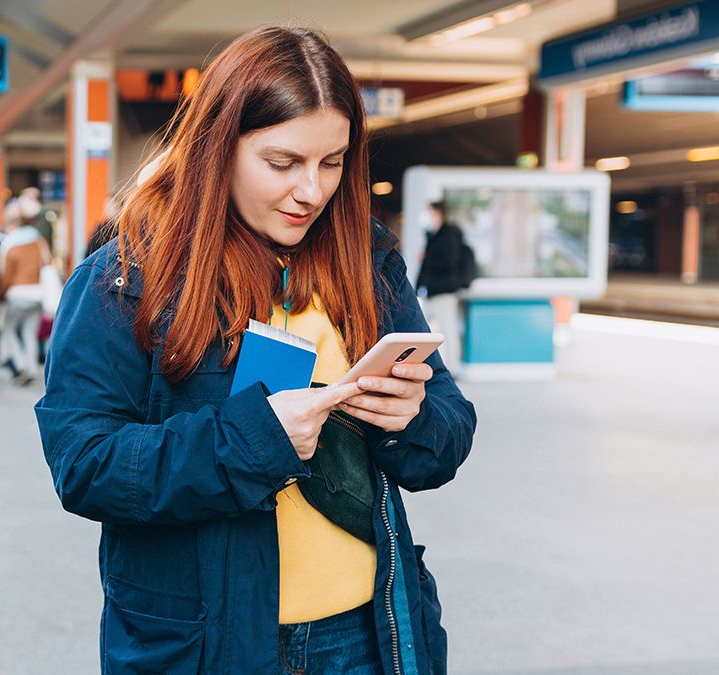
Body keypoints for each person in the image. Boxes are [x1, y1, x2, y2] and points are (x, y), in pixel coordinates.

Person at [35, 26, 476, 674]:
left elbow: (449, 426)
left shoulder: (366, 260)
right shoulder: (126, 277)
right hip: (213, 645)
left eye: (333, 163)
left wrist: (414, 416)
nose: (312, 191)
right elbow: (84, 462)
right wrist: (252, 440)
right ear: (218, 148)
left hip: (369, 631)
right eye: (282, 162)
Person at [0, 201, 47, 386]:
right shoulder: (39, 242)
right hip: (37, 294)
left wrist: (0, 294)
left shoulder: (11, 243)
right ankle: (32, 369)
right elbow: (47, 264)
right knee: (29, 333)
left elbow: (5, 274)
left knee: (9, 331)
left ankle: (21, 366)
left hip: (17, 294)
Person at [416, 200, 468, 376]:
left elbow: (449, 262)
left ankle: (453, 368)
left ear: (437, 213)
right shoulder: (432, 234)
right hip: (431, 291)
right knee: (423, 329)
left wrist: (428, 258)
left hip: (445, 291)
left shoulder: (449, 234)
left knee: (448, 329)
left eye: (429, 212)